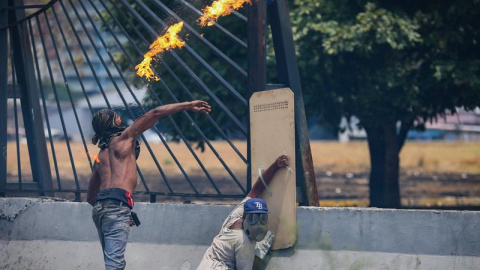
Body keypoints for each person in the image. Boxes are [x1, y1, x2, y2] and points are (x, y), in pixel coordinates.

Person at [87, 101, 211, 270]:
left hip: (100, 209)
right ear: (112, 123)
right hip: (116, 206)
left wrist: (111, 207)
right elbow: (155, 113)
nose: (121, 118)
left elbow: (90, 197)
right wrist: (188, 105)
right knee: (114, 265)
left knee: (114, 262)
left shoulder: (99, 156)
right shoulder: (124, 138)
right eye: (117, 117)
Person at [196, 154, 289, 270]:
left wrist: (275, 165)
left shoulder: (236, 215)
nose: (258, 224)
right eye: (254, 218)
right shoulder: (245, 241)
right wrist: (259, 253)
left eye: (262, 218)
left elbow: (257, 189)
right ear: (245, 216)